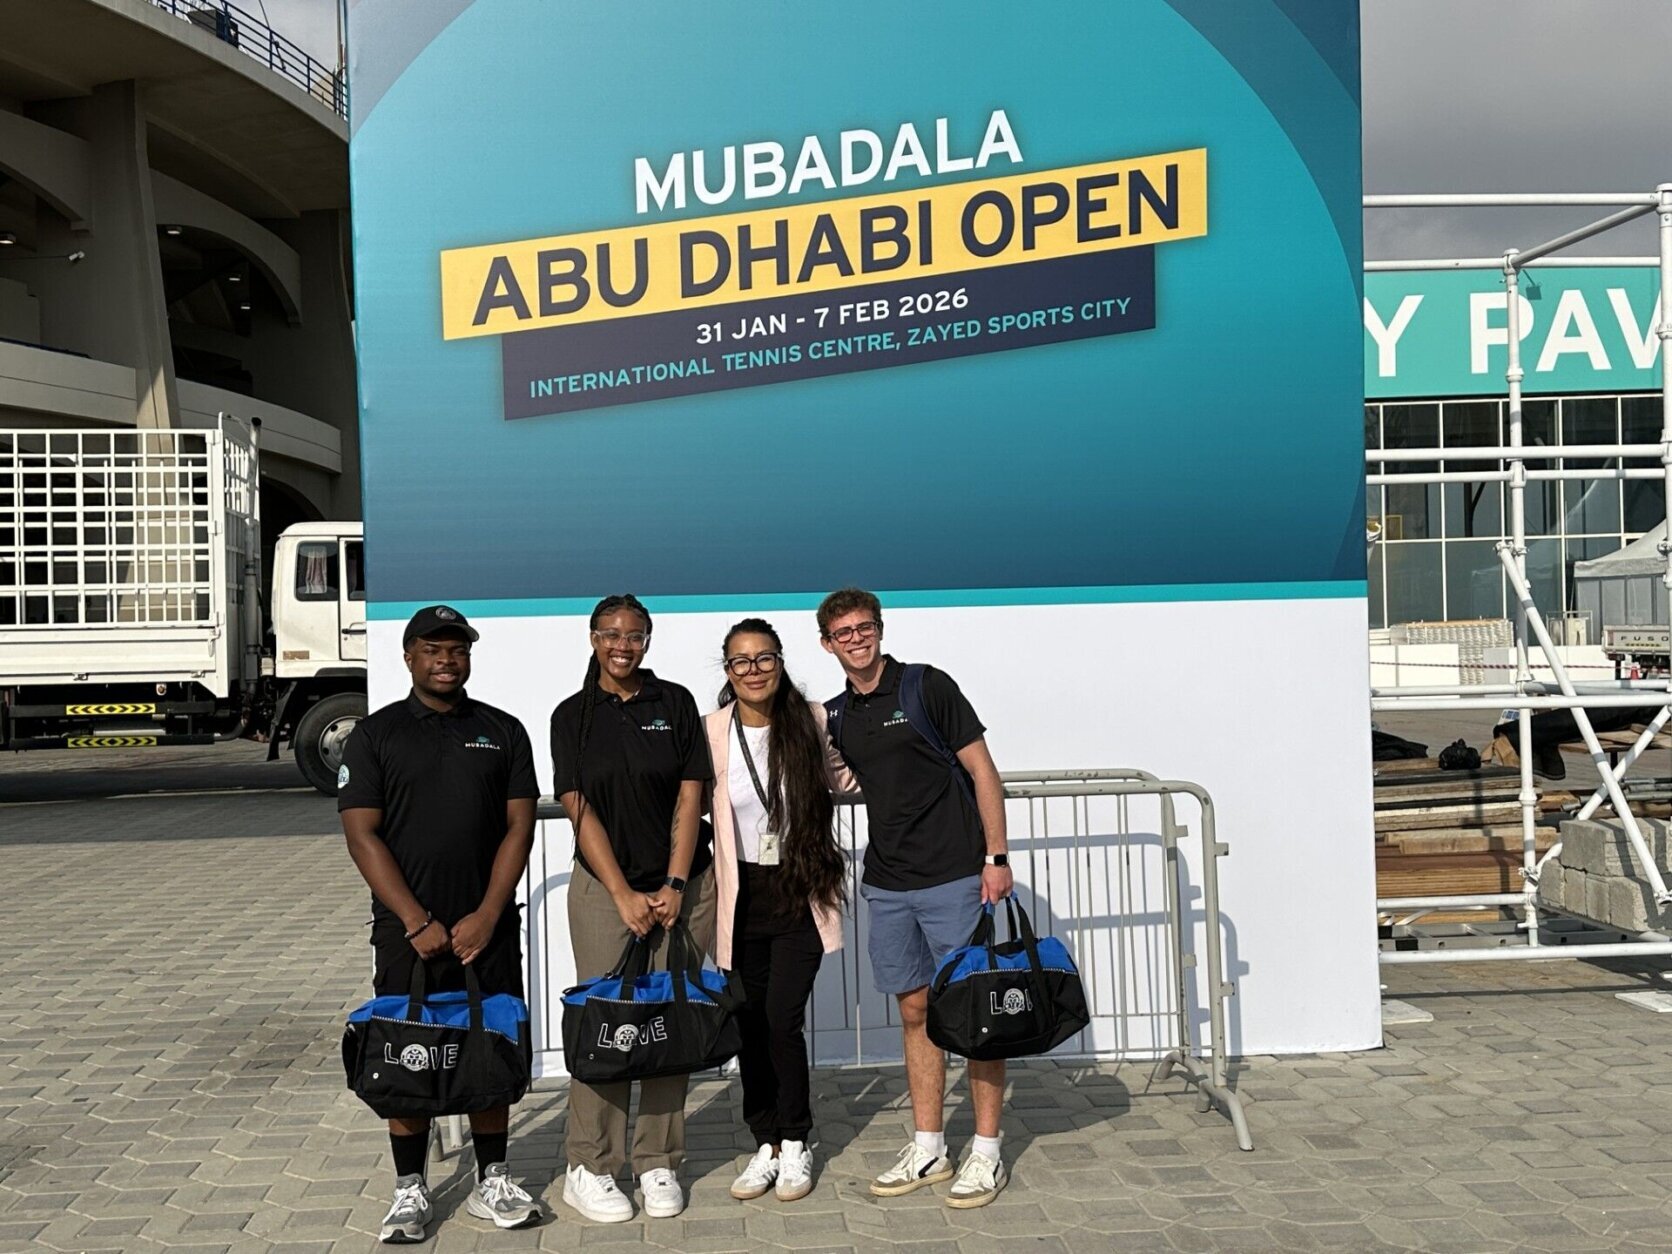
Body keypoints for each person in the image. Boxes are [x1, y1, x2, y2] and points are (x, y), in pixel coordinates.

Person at [338, 605, 542, 1242]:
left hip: (489, 929)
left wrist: (487, 913)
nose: (447, 660)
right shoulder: (374, 736)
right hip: (407, 934)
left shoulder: (501, 730)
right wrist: (414, 918)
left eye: (457, 649)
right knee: (406, 1053)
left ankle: (493, 1180)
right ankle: (409, 1190)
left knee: (489, 1049)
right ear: (408, 657)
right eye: (433, 649)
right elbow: (361, 834)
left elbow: (519, 825)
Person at [816, 587, 1014, 1209]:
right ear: (827, 644)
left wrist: (996, 857)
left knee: (975, 1013)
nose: (855, 638)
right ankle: (929, 1144)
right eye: (842, 632)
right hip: (888, 881)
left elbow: (983, 770)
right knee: (914, 1012)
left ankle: (986, 1152)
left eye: (863, 627)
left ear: (879, 628)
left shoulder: (926, 686)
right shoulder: (837, 716)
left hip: (955, 875)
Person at [549, 595, 715, 1224]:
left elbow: (689, 794)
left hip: (682, 888)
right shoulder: (573, 715)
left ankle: (659, 1162)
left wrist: (674, 883)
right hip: (603, 890)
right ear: (592, 638)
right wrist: (621, 893)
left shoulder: (672, 703)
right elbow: (578, 806)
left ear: (649, 640)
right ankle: (589, 1166)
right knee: (608, 1026)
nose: (624, 645)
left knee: (669, 1022)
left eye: (635, 635)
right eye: (611, 634)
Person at [704, 618, 852, 1204]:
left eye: (764, 659)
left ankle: (796, 1139)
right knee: (750, 1024)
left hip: (799, 893)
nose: (754, 671)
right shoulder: (711, 731)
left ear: (780, 662)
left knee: (783, 1019)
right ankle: (763, 1142)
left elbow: (849, 778)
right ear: (727, 670)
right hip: (741, 901)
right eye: (741, 662)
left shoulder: (811, 721)